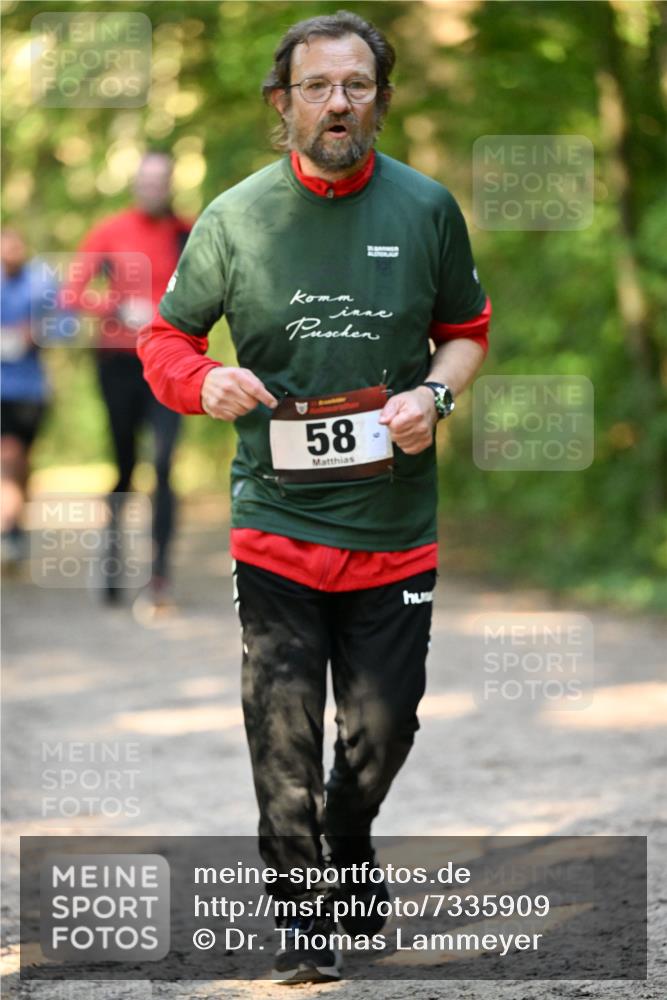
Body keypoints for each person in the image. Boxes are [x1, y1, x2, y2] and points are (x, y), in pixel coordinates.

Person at [138, 11, 491, 983]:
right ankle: (303, 917)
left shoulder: (425, 209)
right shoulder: (234, 218)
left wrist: (435, 392)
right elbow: (165, 340)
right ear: (281, 101)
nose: (337, 103)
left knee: (382, 731)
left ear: (378, 97)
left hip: (395, 531)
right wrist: (199, 381)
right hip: (276, 524)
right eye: (316, 86)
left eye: (355, 85)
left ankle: (352, 839)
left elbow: (467, 329)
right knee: (281, 729)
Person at [60, 152, 190, 611]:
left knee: (165, 464)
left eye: (162, 180)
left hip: (174, 364)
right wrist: (115, 309)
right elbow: (70, 293)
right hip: (118, 362)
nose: (154, 188)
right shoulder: (110, 231)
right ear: (136, 184)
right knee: (125, 467)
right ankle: (114, 567)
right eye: (146, 180)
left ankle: (159, 578)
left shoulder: (186, 232)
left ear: (171, 184)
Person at [1, 229, 56, 565]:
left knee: (21, 462)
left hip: (30, 391)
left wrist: (33, 333)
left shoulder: (41, 281)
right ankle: (8, 530)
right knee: (8, 454)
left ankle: (15, 525)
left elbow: (63, 324)